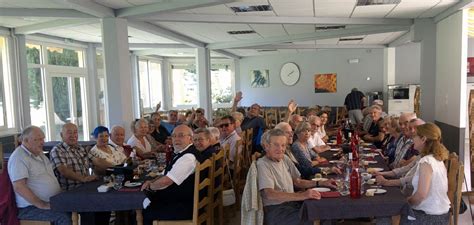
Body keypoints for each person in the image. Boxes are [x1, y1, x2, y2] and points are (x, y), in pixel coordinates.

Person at [257, 129, 334, 225]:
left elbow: (298, 182)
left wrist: (321, 183)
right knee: (316, 218)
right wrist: (302, 195)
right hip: (277, 211)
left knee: (326, 211)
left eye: (283, 145)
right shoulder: (262, 164)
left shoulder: (284, 158)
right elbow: (270, 194)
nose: (280, 149)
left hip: (292, 204)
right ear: (266, 146)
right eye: (276, 145)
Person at [8, 126, 71, 225]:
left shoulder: (40, 154)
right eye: (38, 139)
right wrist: (41, 204)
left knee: (78, 206)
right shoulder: (19, 158)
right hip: (30, 208)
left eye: (43, 138)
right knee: (62, 217)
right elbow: (19, 186)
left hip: (50, 202)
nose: (42, 142)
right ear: (26, 140)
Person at [141, 125, 200, 225]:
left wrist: (150, 187)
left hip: (183, 207)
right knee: (145, 202)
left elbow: (167, 180)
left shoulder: (188, 157)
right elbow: (165, 174)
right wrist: (152, 181)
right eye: (173, 136)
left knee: (144, 211)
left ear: (191, 139)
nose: (176, 139)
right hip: (182, 200)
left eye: (181, 136)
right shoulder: (181, 152)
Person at [400, 123, 450, 225]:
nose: (412, 140)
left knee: (389, 215)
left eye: (415, 136)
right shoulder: (437, 159)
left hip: (429, 217)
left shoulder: (426, 162)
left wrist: (406, 202)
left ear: (423, 139)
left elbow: (421, 195)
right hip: (440, 215)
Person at [49, 123, 96, 191]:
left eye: (75, 132)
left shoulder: (81, 148)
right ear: (61, 135)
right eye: (69, 133)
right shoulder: (57, 150)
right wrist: (83, 179)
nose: (73, 135)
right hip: (70, 191)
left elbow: (94, 163)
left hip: (86, 187)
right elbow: (63, 170)